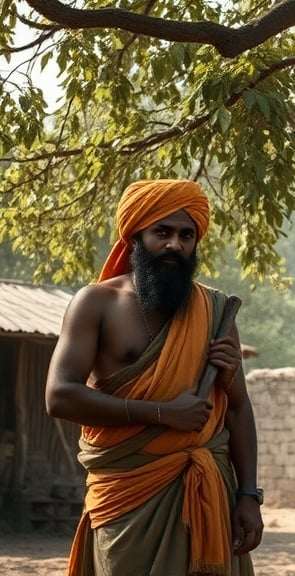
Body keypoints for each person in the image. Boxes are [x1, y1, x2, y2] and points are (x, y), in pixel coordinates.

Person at [45, 179, 262, 576]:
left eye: (186, 235)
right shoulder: (96, 303)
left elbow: (238, 407)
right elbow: (59, 395)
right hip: (126, 498)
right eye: (162, 232)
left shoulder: (216, 312)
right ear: (136, 236)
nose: (174, 245)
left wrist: (249, 495)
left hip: (209, 497)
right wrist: (162, 412)